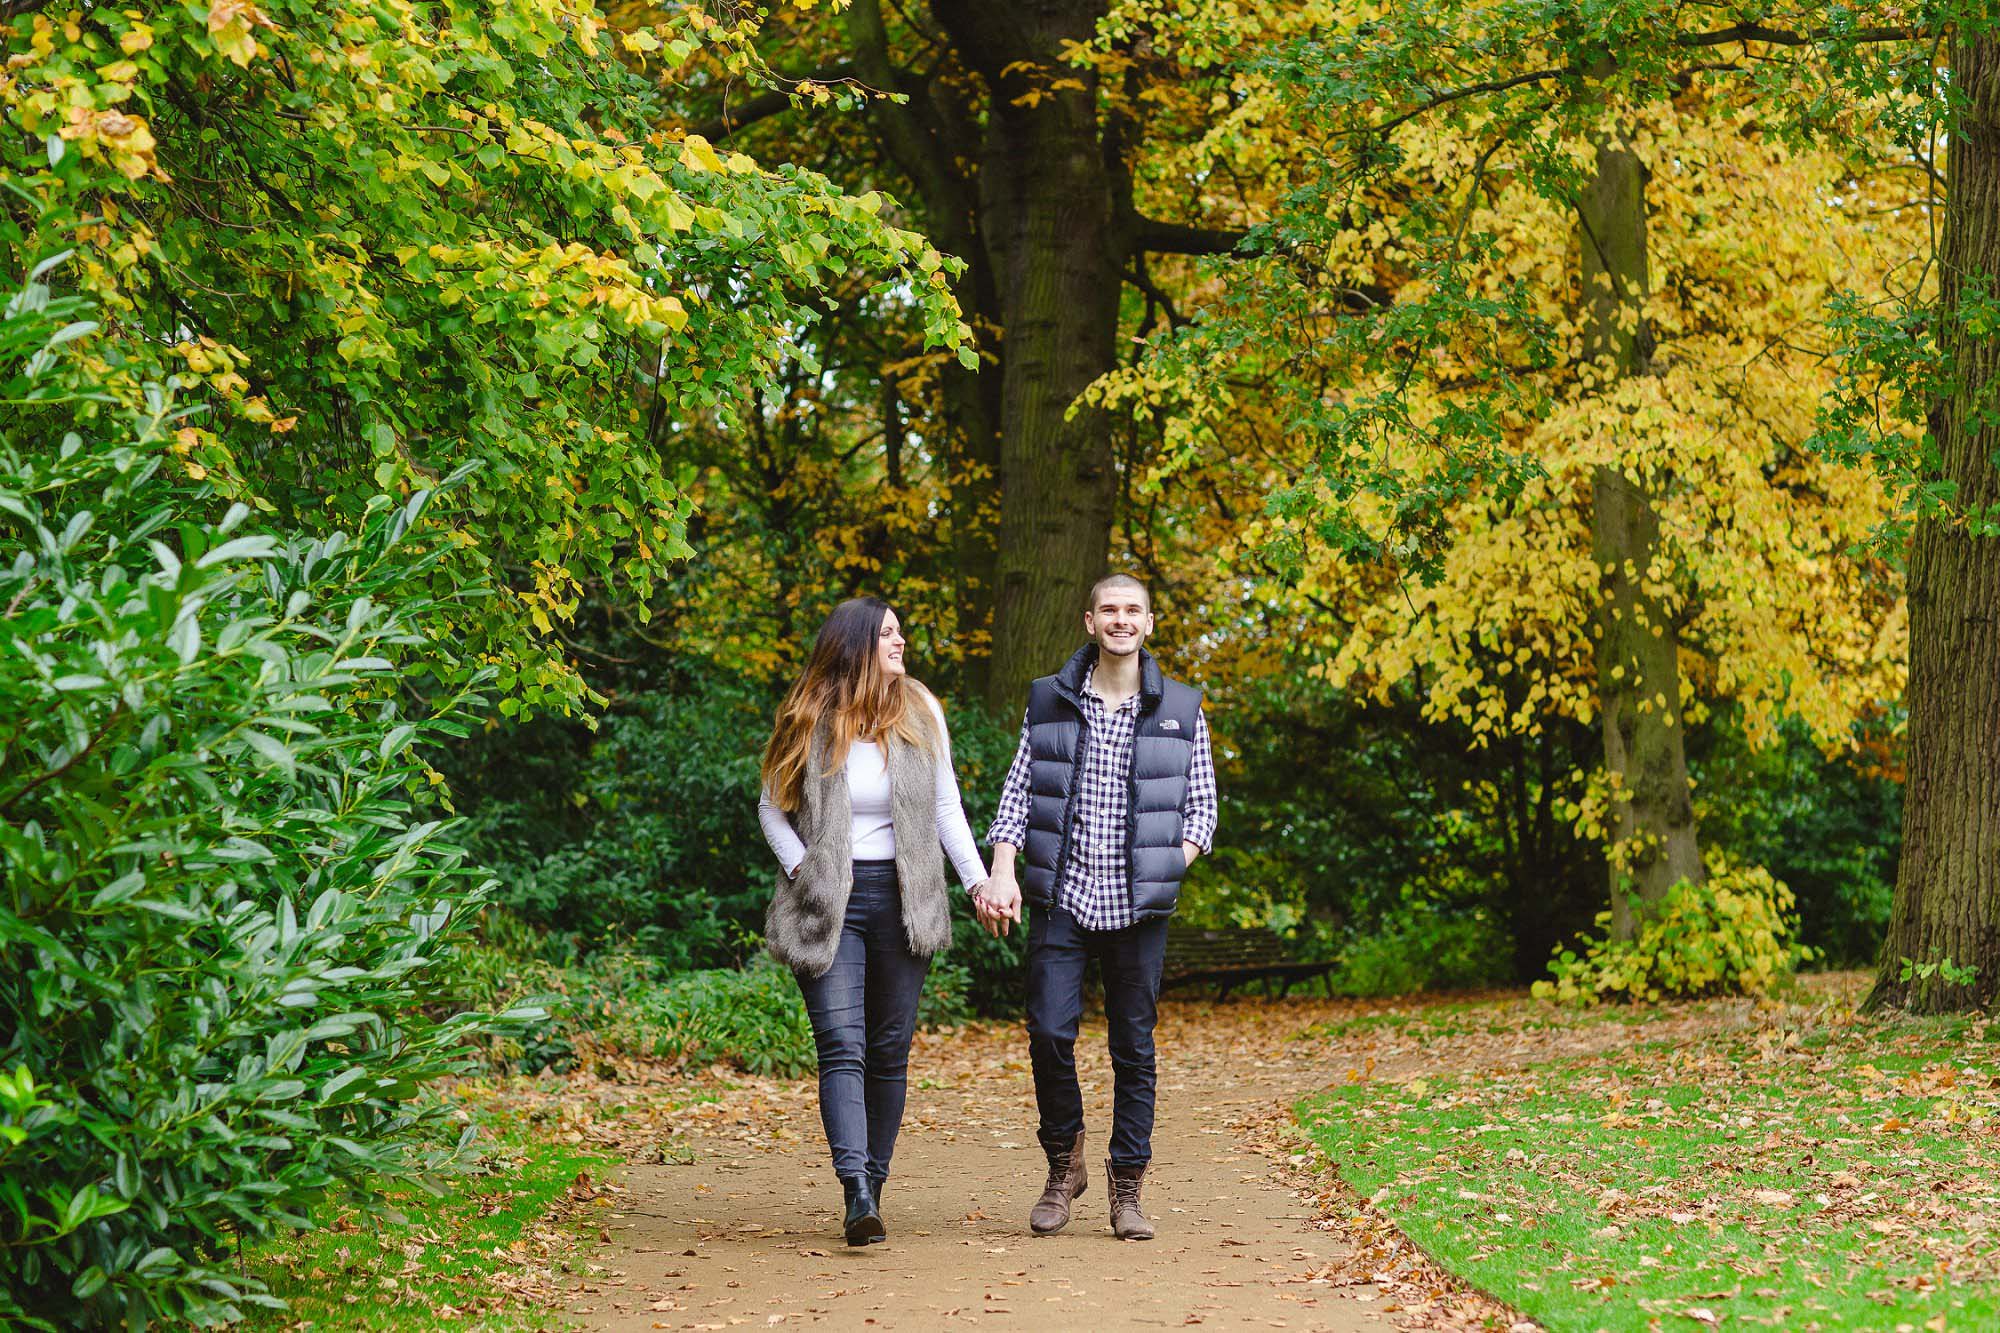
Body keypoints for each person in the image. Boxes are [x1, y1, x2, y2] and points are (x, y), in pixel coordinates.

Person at [974, 573, 1218, 1241]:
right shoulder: (1049, 701)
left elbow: (1203, 813)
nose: (1120, 619)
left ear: (1149, 621)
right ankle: (1064, 1165)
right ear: (1089, 621)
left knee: (1133, 1047)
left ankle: (1127, 1187)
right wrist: (1002, 871)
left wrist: (1165, 869)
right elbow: (1016, 796)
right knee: (1050, 1033)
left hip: (1140, 909)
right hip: (1062, 898)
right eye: (1109, 609)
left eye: (1131, 609)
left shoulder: (1183, 708)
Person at [757, 597, 989, 1246]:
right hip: (828, 903)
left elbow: (947, 806)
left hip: (905, 898)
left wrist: (975, 880)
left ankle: (874, 1185)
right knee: (842, 1046)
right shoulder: (809, 714)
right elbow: (771, 807)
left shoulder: (921, 710)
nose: (901, 640)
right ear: (856, 644)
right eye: (888, 632)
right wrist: (803, 868)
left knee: (888, 1052)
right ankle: (855, 1187)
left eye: (900, 630)